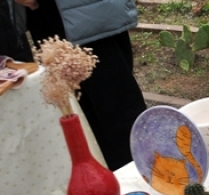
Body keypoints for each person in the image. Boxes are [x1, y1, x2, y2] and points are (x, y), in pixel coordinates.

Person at [15, 0, 146, 170]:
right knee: (84, 120)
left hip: (88, 15)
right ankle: (115, 178)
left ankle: (149, 174)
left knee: (119, 113)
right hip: (46, 15)